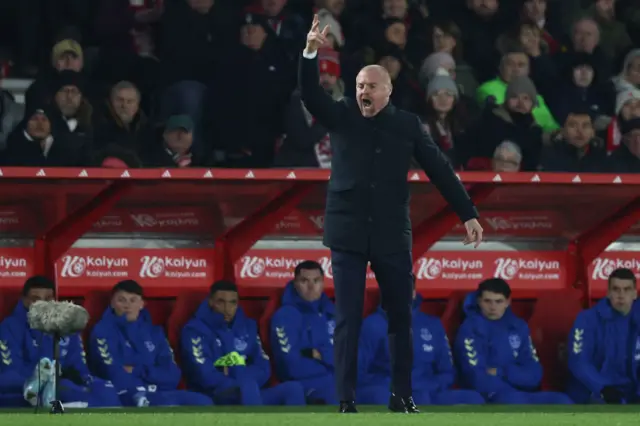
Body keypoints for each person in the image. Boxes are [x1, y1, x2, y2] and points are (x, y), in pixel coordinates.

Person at [300, 14, 483, 413]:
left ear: (388, 90)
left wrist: (467, 213)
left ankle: (402, 396)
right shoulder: (343, 112)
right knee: (347, 318)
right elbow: (311, 97)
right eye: (360, 85)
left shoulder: (407, 125)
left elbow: (439, 169)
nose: (364, 91)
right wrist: (311, 52)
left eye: (371, 86)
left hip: (390, 234)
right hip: (347, 231)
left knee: (400, 316)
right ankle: (345, 399)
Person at [358, 277, 485, 405]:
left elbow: (447, 372)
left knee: (473, 399)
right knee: (382, 397)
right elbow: (357, 372)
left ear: (413, 293)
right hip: (389, 391)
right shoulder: (371, 325)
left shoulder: (432, 324)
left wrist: (427, 386)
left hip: (428, 391)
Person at [0, 276, 121, 408]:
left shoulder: (66, 325)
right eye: (36, 299)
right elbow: (10, 371)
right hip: (25, 384)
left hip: (63, 383)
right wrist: (42, 380)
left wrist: (80, 379)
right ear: (25, 300)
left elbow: (79, 367)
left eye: (48, 299)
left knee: (106, 389)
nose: (43, 304)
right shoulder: (10, 327)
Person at [181, 280, 306, 406]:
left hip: (250, 390)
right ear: (211, 302)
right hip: (214, 395)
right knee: (247, 386)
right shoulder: (194, 330)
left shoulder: (248, 326)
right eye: (221, 302)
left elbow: (264, 367)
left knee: (293, 389)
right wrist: (243, 379)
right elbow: (204, 375)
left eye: (232, 303)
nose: (227, 309)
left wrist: (236, 373)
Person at [89, 280, 213, 407]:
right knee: (164, 404)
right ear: (112, 303)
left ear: (142, 304)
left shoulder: (155, 332)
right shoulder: (102, 331)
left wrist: (138, 370)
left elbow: (173, 374)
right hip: (126, 394)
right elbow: (112, 372)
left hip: (161, 391)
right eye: (122, 300)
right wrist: (147, 381)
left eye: (133, 300)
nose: (127, 305)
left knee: (203, 402)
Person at [454, 278, 573, 404]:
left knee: (561, 401)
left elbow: (534, 373)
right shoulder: (470, 329)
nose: (493, 307)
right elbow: (476, 377)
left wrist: (502, 371)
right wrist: (511, 386)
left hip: (523, 392)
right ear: (479, 301)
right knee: (514, 401)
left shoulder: (518, 326)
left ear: (508, 302)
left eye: (498, 301)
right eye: (487, 301)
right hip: (492, 395)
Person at [567, 268, 640, 403]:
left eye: (627, 289)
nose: (621, 295)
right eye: (616, 289)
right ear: (608, 293)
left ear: (635, 294)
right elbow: (578, 362)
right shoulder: (587, 319)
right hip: (595, 391)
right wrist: (602, 388)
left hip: (632, 392)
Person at [269, 261, 337, 405]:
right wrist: (330, 364)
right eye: (304, 281)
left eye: (316, 281)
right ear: (295, 283)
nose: (311, 287)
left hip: (337, 380)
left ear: (323, 283)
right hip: (304, 384)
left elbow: (350, 357)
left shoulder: (332, 312)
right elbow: (290, 367)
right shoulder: (286, 316)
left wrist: (321, 355)